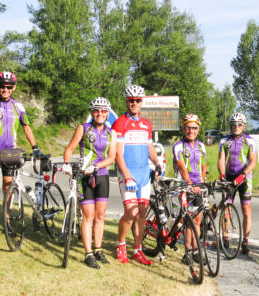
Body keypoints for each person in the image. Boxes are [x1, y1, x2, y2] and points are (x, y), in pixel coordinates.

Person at [0, 71, 42, 241]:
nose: (4, 89)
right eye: (1, 86)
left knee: (8, 188)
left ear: (13, 88)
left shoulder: (18, 106)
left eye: (8, 87)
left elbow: (26, 127)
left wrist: (35, 147)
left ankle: (6, 223)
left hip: (10, 153)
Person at [62, 97, 117, 269]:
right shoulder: (83, 128)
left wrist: (96, 166)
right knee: (88, 216)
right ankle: (88, 253)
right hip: (84, 176)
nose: (99, 114)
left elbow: (111, 158)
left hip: (101, 176)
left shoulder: (111, 133)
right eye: (96, 110)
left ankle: (98, 249)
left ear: (107, 113)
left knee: (100, 216)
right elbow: (70, 148)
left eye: (103, 111)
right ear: (92, 112)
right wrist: (66, 164)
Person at [113, 85, 162, 265]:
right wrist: (126, 176)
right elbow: (118, 154)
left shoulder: (146, 124)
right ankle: (121, 244)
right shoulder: (120, 123)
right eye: (131, 100)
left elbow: (149, 148)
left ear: (142, 102)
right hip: (128, 173)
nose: (134, 103)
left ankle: (138, 250)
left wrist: (157, 163)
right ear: (126, 101)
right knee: (130, 212)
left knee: (141, 213)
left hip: (143, 174)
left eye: (138, 100)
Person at [217, 112, 257, 254]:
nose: (236, 127)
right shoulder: (224, 141)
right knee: (226, 207)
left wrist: (244, 174)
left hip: (245, 178)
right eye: (233, 124)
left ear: (244, 126)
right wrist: (222, 173)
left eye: (239, 124)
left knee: (246, 208)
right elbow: (222, 159)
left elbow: (253, 161)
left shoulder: (249, 141)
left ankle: (245, 240)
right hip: (229, 177)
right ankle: (225, 237)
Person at [173, 114, 207, 263]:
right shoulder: (178, 146)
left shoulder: (201, 146)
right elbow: (181, 167)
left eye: (194, 128)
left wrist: (202, 184)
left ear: (198, 130)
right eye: (188, 127)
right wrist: (190, 184)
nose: (191, 131)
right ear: (183, 128)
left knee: (198, 220)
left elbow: (204, 166)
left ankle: (196, 251)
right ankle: (188, 251)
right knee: (188, 220)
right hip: (185, 185)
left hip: (198, 186)